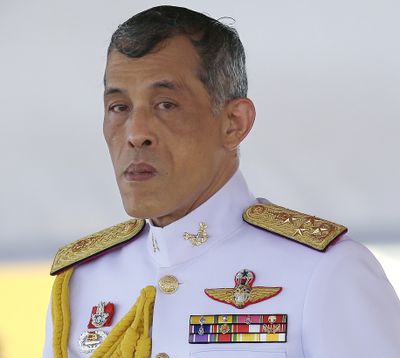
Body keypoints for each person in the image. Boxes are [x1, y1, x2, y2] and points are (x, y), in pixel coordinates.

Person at [43, 5, 400, 358]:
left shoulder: (326, 271)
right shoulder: (84, 281)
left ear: (234, 123)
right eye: (119, 107)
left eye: (166, 104)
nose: (136, 134)